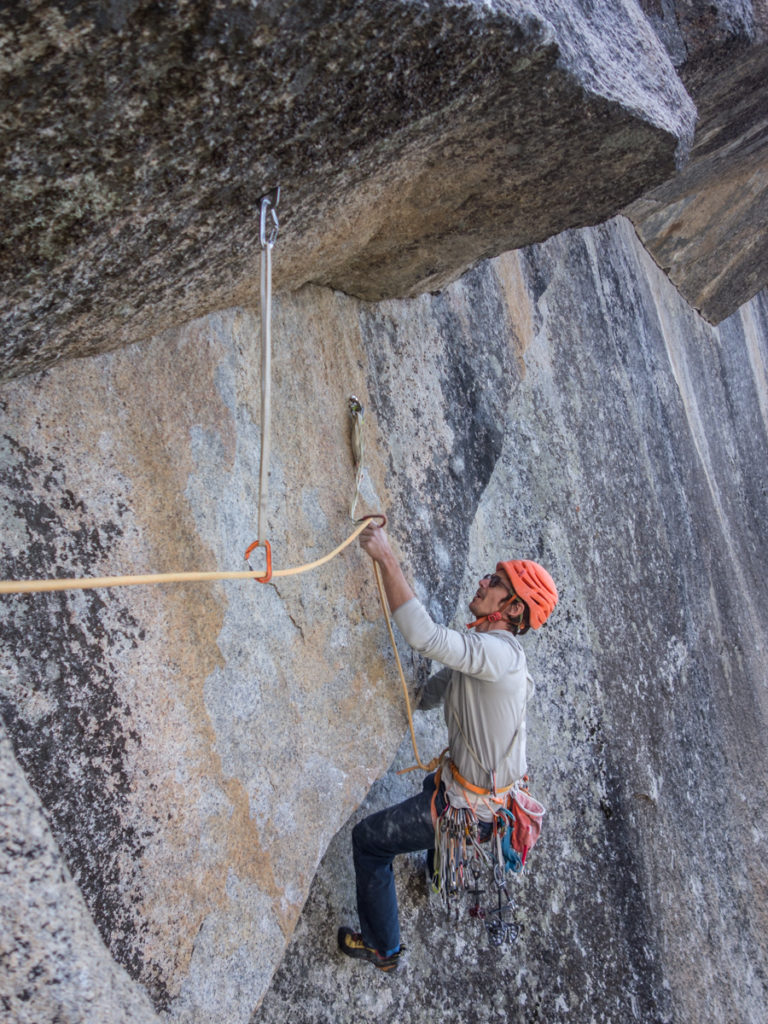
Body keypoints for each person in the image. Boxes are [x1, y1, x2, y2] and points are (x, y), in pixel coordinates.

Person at [338, 520, 558, 971]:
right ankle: (442, 872)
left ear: (513, 609)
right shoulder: (489, 650)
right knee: (429, 785)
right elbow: (437, 689)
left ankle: (384, 949)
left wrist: (386, 558)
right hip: (485, 802)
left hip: (469, 807)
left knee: (369, 842)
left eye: (495, 583)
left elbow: (427, 639)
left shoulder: (498, 655)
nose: (483, 581)